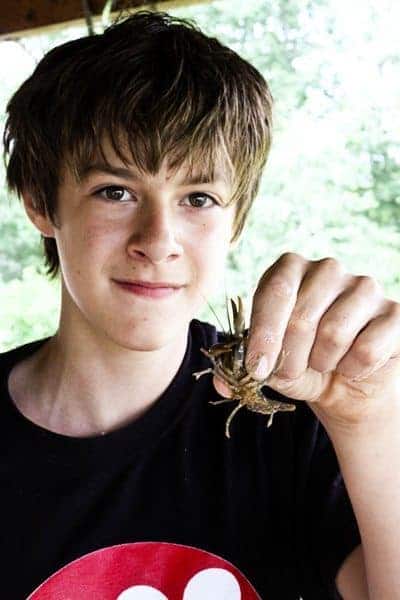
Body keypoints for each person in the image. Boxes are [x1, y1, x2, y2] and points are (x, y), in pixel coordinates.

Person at [1, 9, 399, 600]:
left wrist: (371, 420)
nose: (158, 240)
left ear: (235, 220)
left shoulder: (298, 418)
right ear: (39, 199)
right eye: (116, 191)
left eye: (199, 198)